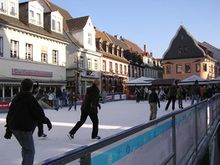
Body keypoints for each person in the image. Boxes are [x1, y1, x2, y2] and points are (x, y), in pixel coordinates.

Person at [4, 78, 52, 165]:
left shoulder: (16, 98)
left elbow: (10, 114)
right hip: (24, 128)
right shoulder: (30, 98)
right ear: (31, 88)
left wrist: (8, 129)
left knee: (26, 148)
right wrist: (47, 121)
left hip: (14, 128)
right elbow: (39, 113)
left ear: (21, 87)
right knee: (30, 151)